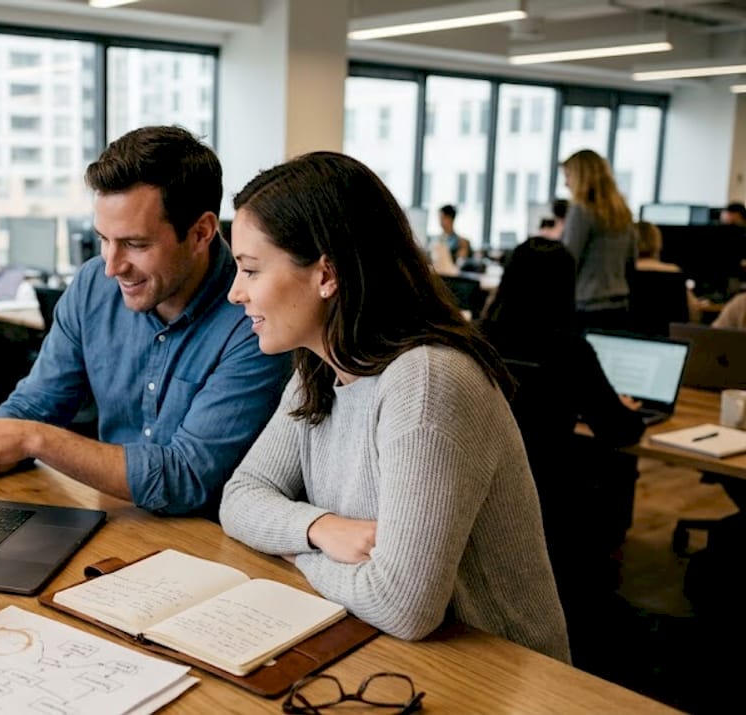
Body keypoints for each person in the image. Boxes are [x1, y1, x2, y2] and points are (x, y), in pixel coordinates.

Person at [218, 151, 569, 662]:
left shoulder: (427, 381)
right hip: (392, 649)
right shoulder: (318, 368)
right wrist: (321, 531)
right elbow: (241, 497)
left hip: (502, 674)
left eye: (250, 269)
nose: (235, 292)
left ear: (326, 274)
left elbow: (402, 604)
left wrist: (294, 548)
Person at [0, 126, 291, 517]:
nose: (111, 267)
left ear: (200, 233)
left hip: (208, 539)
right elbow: (35, 407)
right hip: (115, 514)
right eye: (104, 240)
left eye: (136, 244)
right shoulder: (93, 285)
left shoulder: (256, 316)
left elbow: (186, 478)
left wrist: (34, 439)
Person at [479, 237, 644, 666]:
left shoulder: (476, 338)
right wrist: (627, 409)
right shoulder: (570, 349)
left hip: (481, 483)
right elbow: (619, 429)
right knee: (615, 463)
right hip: (550, 492)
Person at [560, 149, 636, 331]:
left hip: (586, 305)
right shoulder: (622, 212)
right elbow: (631, 260)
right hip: (619, 304)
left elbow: (567, 262)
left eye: (569, 176)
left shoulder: (581, 210)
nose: (566, 183)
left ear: (582, 176)